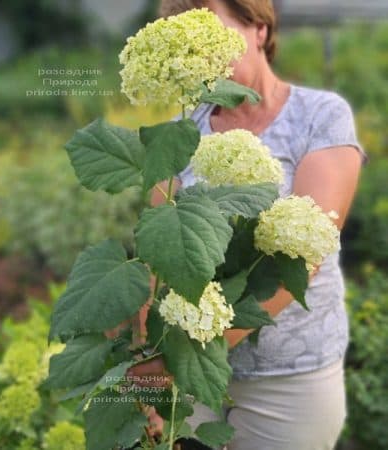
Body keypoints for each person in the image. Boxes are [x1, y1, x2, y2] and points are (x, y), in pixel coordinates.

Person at [127, 1, 368, 449]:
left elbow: (303, 254)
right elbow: (156, 260)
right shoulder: (177, 136)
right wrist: (148, 373)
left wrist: (185, 358)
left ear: (259, 28)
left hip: (288, 379)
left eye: (209, 32)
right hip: (190, 380)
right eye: (185, 45)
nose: (199, 54)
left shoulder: (319, 116)